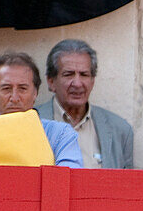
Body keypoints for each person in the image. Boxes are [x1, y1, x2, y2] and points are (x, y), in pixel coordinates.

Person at [34, 39, 134, 169]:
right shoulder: (32, 123)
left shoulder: (119, 129)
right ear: (51, 81)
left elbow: (128, 185)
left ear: (92, 81)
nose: (77, 83)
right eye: (68, 74)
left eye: (84, 75)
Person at [0, 52, 81, 167]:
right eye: (6, 88)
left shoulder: (60, 135)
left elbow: (69, 179)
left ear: (35, 93)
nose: (15, 98)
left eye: (22, 88)